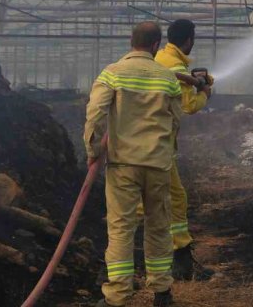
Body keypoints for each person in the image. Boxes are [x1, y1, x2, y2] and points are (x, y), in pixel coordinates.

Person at [84, 22, 181, 307]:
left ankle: (117, 296)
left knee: (121, 228)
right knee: (159, 227)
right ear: (156, 45)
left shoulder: (112, 73)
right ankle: (162, 293)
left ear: (131, 41)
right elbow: (176, 121)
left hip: (123, 164)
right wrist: (167, 150)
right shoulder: (167, 78)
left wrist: (92, 149)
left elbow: (95, 113)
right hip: (158, 164)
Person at [154, 19, 214, 280]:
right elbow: (189, 105)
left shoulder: (158, 58)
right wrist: (206, 93)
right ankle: (180, 262)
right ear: (189, 40)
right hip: (157, 145)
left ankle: (157, 254)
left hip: (134, 143)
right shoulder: (176, 66)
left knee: (146, 201)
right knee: (176, 199)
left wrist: (198, 80)